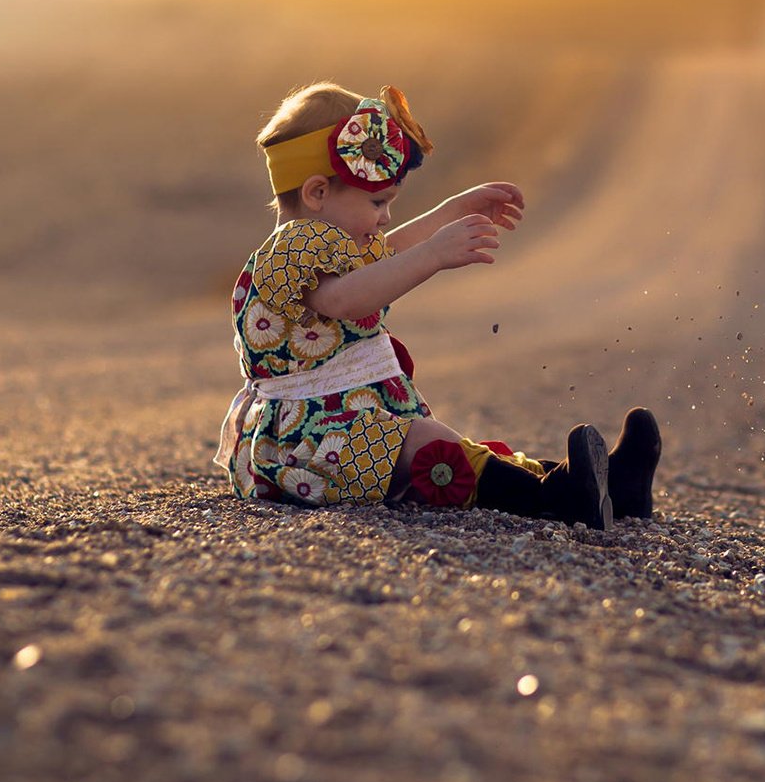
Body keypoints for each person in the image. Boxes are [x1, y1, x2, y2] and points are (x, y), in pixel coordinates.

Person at [212, 81, 661, 530]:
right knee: (430, 444)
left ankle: (606, 486)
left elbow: (385, 254)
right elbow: (344, 300)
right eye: (377, 201)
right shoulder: (293, 248)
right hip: (310, 443)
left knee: (442, 443)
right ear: (316, 193)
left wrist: (452, 210)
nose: (384, 217)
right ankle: (557, 496)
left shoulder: (327, 244)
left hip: (339, 426)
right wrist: (432, 256)